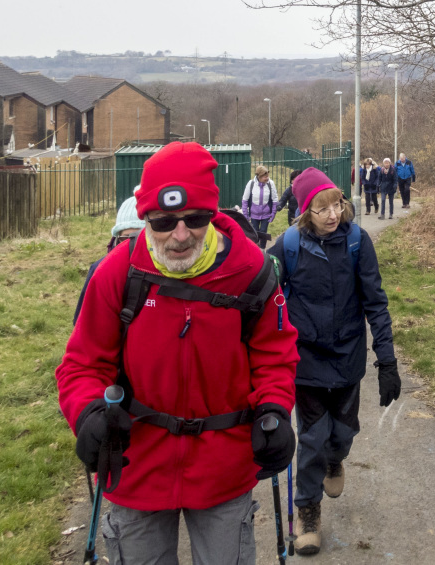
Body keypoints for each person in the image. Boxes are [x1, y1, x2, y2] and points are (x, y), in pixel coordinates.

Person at [56, 142, 299, 565]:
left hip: (224, 468)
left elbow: (274, 354)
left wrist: (274, 408)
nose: (180, 234)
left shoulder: (253, 272)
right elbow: (82, 363)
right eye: (164, 221)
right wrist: (87, 413)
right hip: (136, 467)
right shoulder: (117, 274)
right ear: (145, 216)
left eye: (195, 218)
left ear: (213, 213)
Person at [269, 167, 401, 556]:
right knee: (310, 438)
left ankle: (335, 459)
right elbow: (260, 288)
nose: (331, 213)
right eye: (320, 207)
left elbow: (375, 302)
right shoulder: (288, 245)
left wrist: (387, 359)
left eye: (336, 203)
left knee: (342, 433)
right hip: (305, 358)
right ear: (304, 211)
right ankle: (308, 512)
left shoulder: (358, 242)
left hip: (347, 356)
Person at [73, 189, 146, 324]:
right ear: (116, 239)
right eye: (128, 238)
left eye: (144, 238)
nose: (137, 246)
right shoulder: (101, 270)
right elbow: (85, 327)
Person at [241, 165, 279, 249]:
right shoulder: (251, 184)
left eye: (268, 176)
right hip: (254, 215)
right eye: (265, 176)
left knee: (263, 232)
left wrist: (273, 213)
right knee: (255, 233)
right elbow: (245, 200)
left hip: (266, 214)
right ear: (259, 176)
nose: (267, 178)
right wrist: (245, 214)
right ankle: (255, 249)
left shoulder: (270, 184)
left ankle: (262, 250)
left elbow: (275, 199)